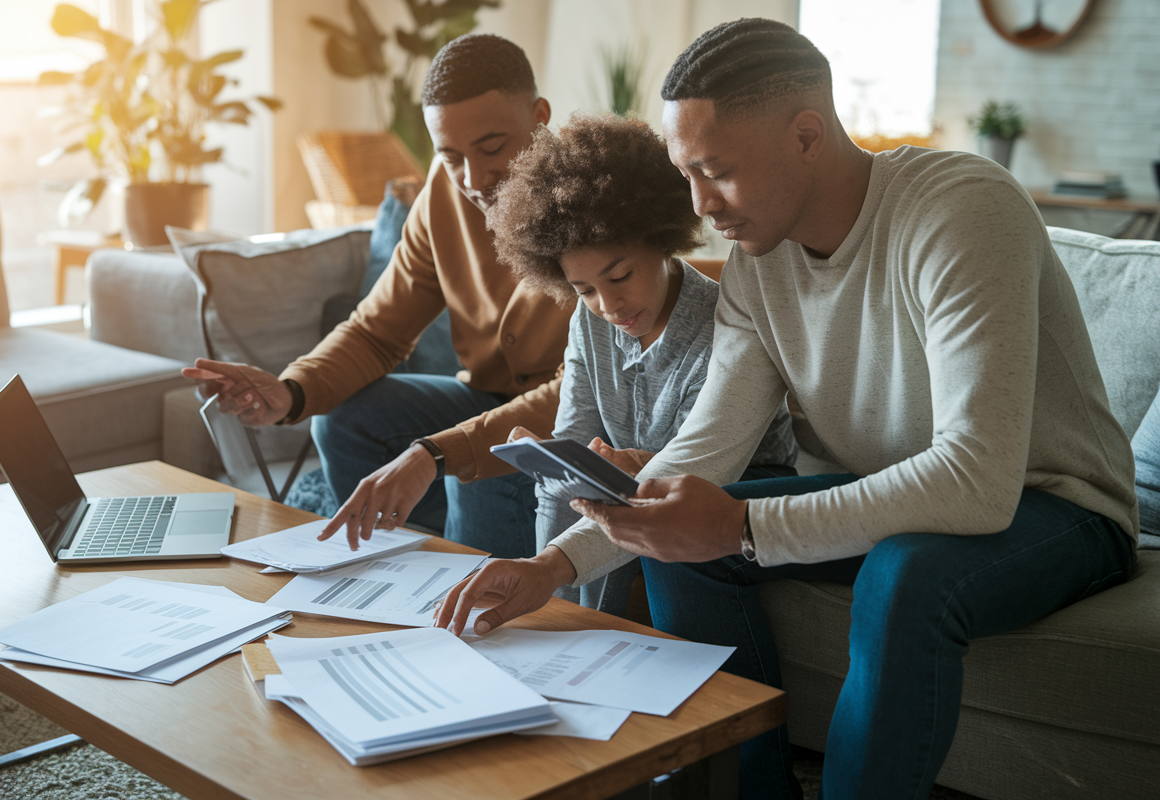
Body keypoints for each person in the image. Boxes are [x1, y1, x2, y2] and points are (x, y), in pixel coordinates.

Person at [435, 18, 1138, 800]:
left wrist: (738, 527)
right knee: (682, 534)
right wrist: (550, 566)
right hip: (904, 494)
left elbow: (977, 480)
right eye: (686, 174)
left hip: (1054, 506)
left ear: (807, 135)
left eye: (716, 172)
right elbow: (704, 451)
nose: (699, 206)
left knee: (903, 576)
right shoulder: (757, 266)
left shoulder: (961, 210)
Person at [183, 34, 571, 559]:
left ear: (540, 117)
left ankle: (468, 581)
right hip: (488, 400)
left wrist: (440, 452)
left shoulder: (591, 199)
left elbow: (582, 388)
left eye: (493, 148)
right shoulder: (444, 192)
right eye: (451, 156)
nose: (473, 179)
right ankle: (404, 567)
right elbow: (376, 332)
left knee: (479, 469)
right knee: (344, 417)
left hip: (572, 424)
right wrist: (291, 392)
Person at [486, 112, 796, 617]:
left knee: (641, 523)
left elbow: (692, 471)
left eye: (621, 275)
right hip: (634, 483)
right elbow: (566, 479)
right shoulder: (589, 324)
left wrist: (626, 472)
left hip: (733, 483)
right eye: (584, 289)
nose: (608, 305)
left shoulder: (726, 329)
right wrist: (548, 604)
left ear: (661, 238)